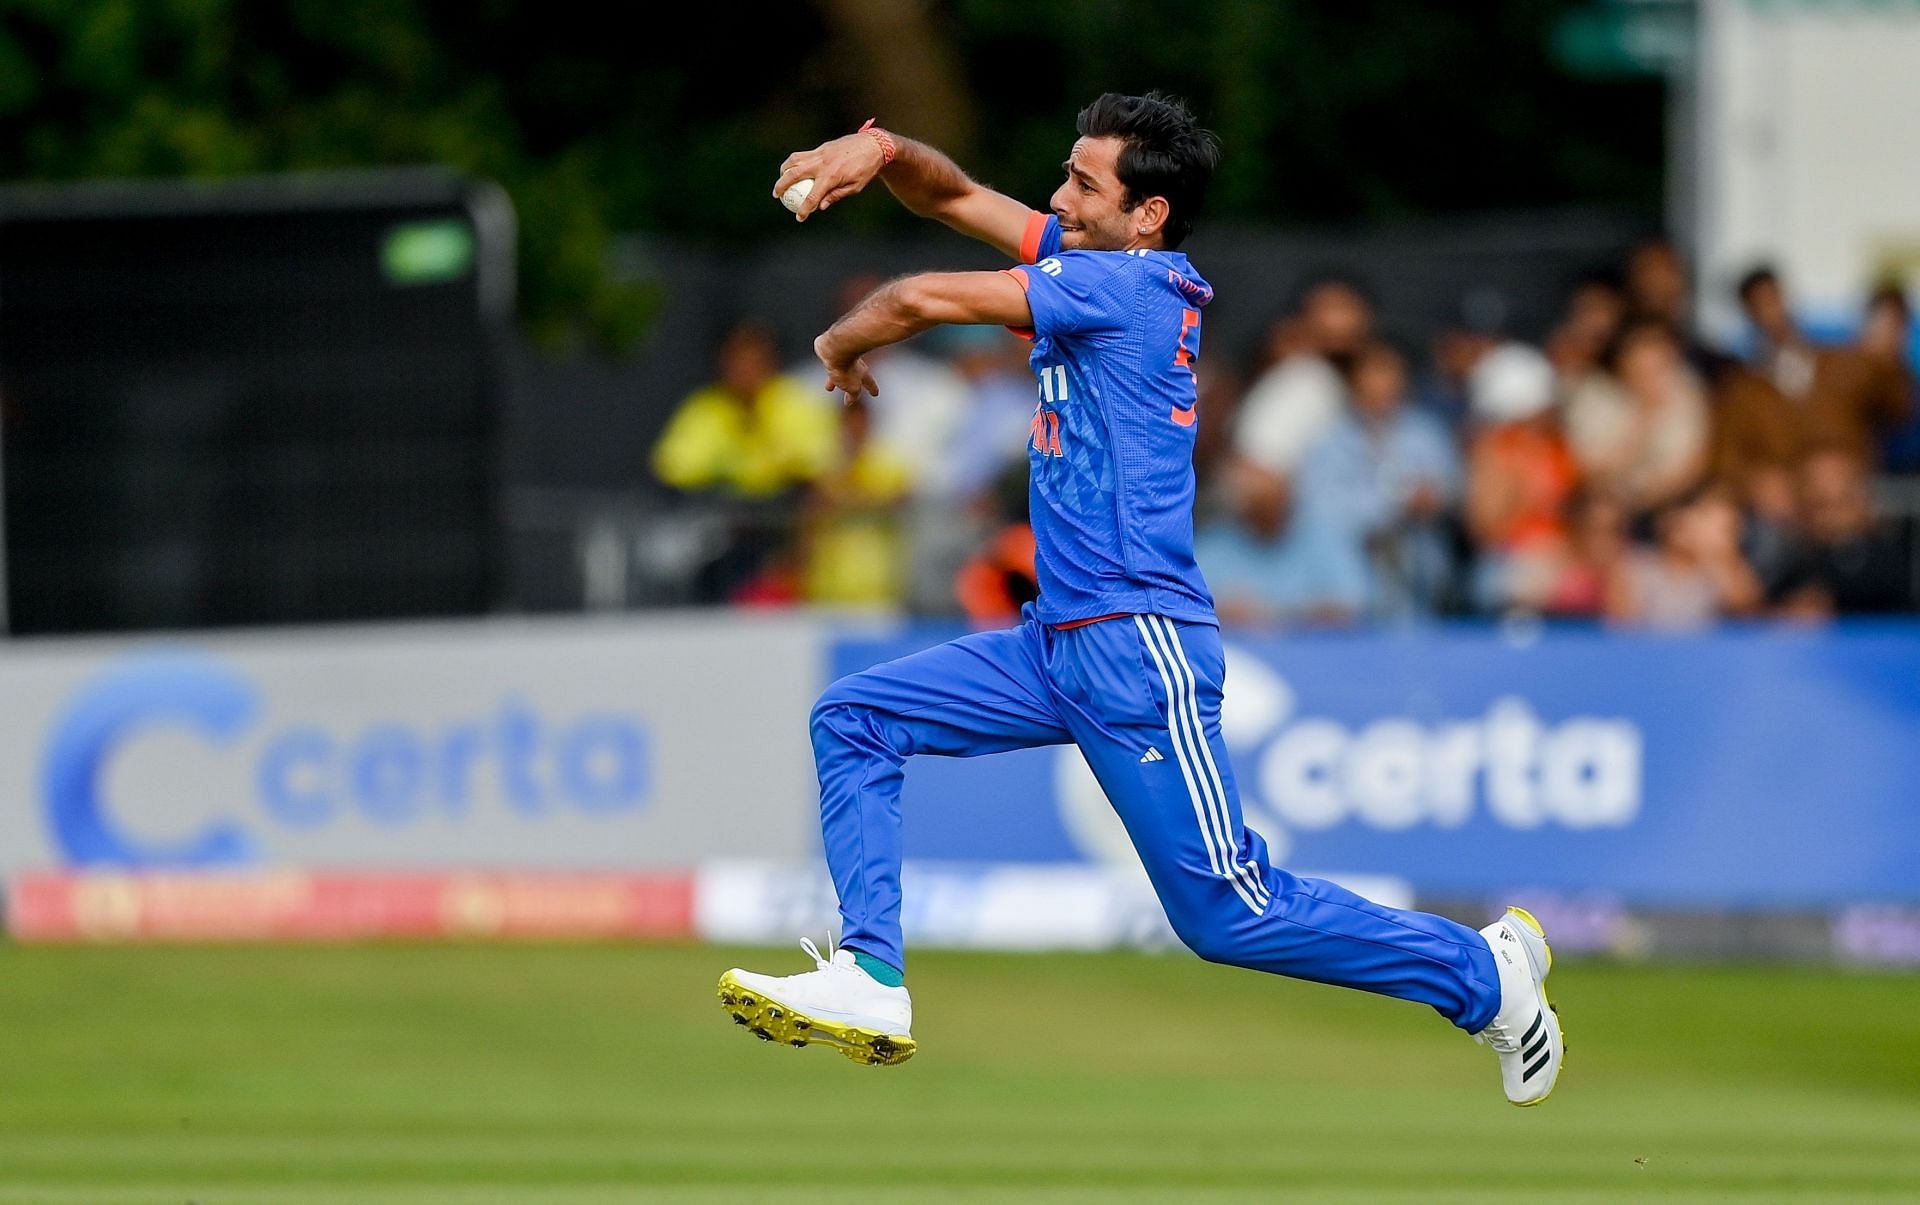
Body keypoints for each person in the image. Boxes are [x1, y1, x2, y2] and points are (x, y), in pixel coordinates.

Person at [714, 94, 1563, 1106]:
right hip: (1055, 640)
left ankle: (1484, 975)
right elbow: (950, 194)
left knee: (1226, 912)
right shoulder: (1090, 260)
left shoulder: (1130, 288)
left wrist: (840, 348)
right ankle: (872, 974)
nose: (1059, 197)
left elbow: (915, 303)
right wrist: (881, 146)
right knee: (854, 717)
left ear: (1149, 215)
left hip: (1134, 645)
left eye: (1084, 183)